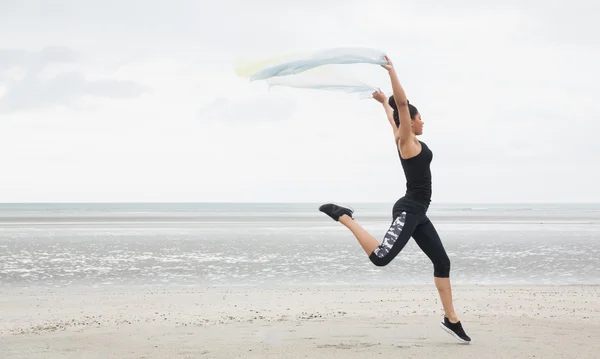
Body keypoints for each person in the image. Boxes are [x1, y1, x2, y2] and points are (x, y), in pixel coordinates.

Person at [318, 55, 471, 343]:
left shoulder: (406, 136)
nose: (422, 120)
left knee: (442, 262)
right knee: (380, 259)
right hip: (409, 210)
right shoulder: (407, 141)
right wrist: (392, 74)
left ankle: (452, 320)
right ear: (410, 122)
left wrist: (381, 105)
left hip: (418, 213)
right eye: (419, 116)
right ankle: (345, 217)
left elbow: (394, 116)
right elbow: (400, 107)